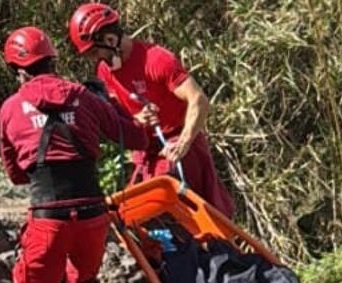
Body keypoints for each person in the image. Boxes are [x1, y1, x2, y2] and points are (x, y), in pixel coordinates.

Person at [0, 26, 151, 283]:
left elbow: (16, 175)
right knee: (85, 279)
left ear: (18, 69)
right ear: (53, 60)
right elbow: (135, 138)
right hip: (93, 215)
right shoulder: (84, 96)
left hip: (48, 217)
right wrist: (116, 107)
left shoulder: (11, 108)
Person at [67, 3, 236, 219]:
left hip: (177, 145)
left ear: (109, 39)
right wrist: (137, 118)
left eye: (95, 52)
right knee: (132, 214)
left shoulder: (157, 60)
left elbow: (199, 100)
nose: (95, 59)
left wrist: (183, 143)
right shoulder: (105, 71)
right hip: (146, 150)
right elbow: (120, 114)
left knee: (181, 212)